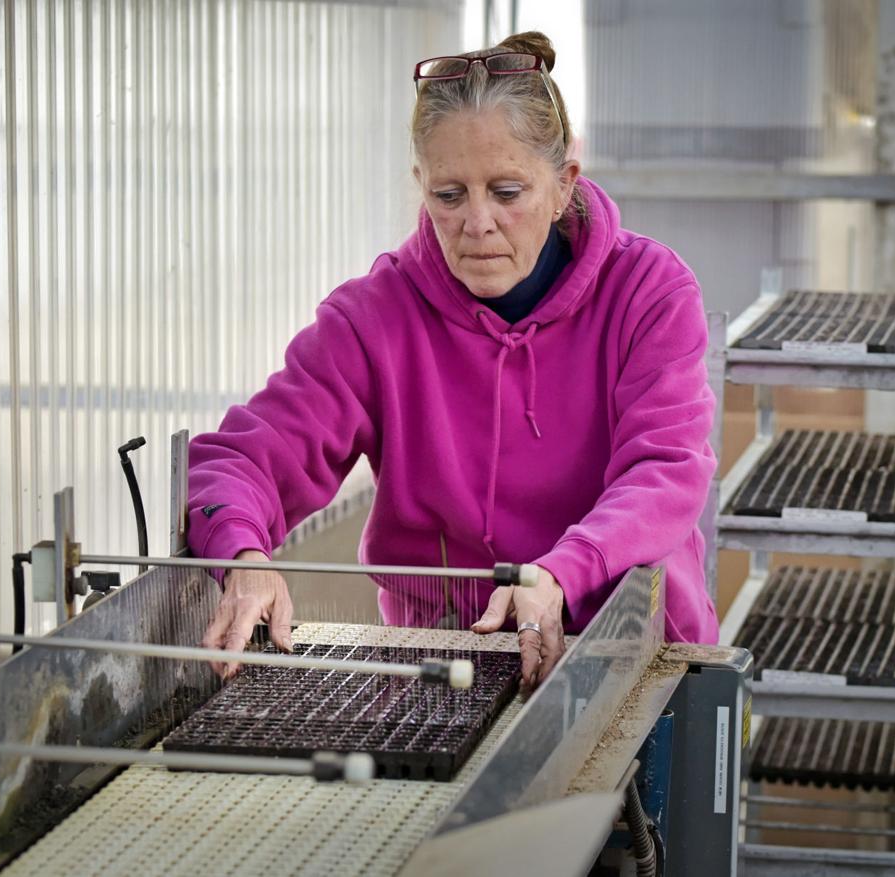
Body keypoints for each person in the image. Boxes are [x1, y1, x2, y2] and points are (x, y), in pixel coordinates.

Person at [188, 31, 718, 691]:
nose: (477, 221)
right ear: (422, 188)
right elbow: (239, 459)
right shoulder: (374, 318)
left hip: (632, 651)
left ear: (563, 186)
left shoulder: (648, 291)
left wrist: (558, 572)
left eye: (506, 191)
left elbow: (665, 470)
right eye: (449, 194)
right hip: (445, 661)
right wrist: (243, 557)